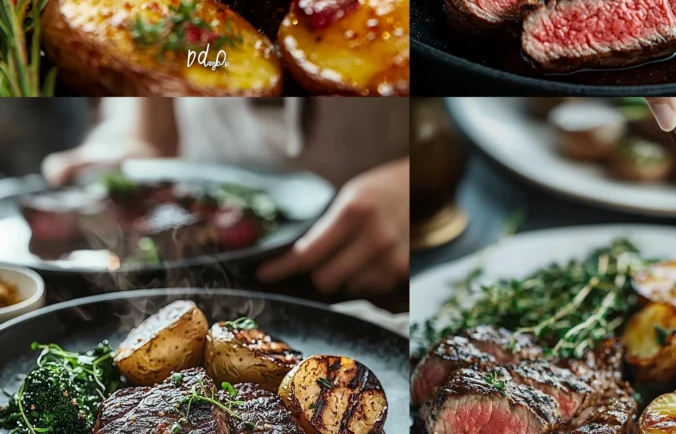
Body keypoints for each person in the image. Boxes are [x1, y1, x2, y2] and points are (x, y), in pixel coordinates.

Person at [42, 98, 409, 298]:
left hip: (366, 263)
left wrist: (409, 185)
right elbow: (156, 134)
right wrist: (136, 158)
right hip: (188, 279)